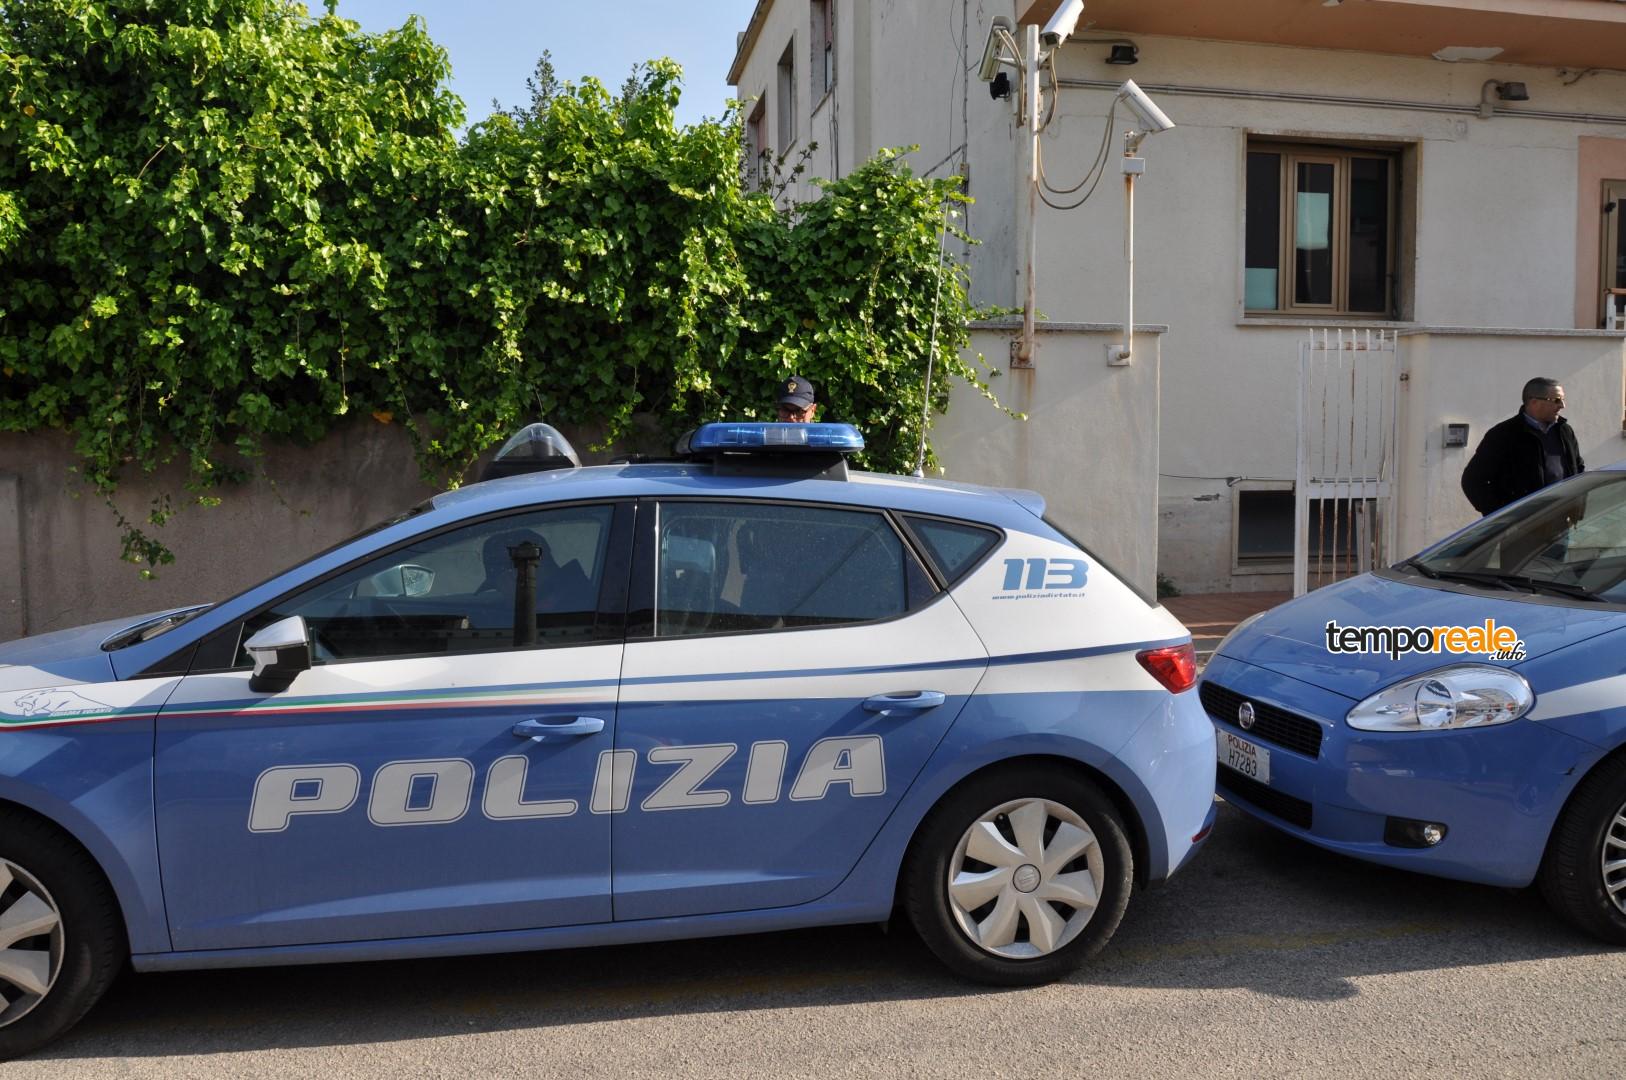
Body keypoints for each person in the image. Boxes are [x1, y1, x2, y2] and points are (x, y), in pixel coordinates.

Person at [1460, 377, 1584, 515]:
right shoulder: (1504, 434)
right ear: (1534, 402)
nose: (1562, 405)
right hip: (1520, 528)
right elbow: (1473, 480)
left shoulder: (1564, 431)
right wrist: (1500, 515)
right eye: (1556, 400)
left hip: (1560, 521)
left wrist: (1577, 508)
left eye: (1562, 400)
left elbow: (1578, 469)